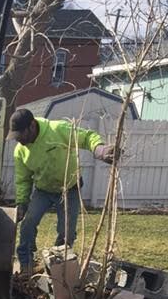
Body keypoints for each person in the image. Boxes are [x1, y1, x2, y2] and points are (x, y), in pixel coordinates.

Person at [10, 108, 115, 272]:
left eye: (21, 135)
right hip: (43, 191)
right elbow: (23, 180)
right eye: (16, 136)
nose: (19, 140)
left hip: (69, 189)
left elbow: (86, 137)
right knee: (28, 224)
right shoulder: (20, 151)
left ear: (32, 126)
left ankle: (58, 268)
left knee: (67, 232)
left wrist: (99, 150)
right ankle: (26, 264)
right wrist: (22, 203)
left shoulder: (57, 130)